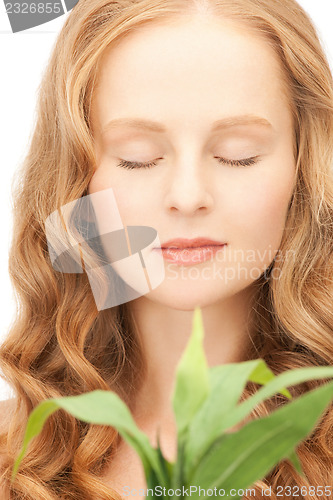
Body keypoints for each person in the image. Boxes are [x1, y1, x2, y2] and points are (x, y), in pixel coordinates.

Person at [0, 0, 332, 498]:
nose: (187, 197)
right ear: (76, 181)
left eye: (237, 156)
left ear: (304, 167)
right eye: (138, 159)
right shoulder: (14, 453)